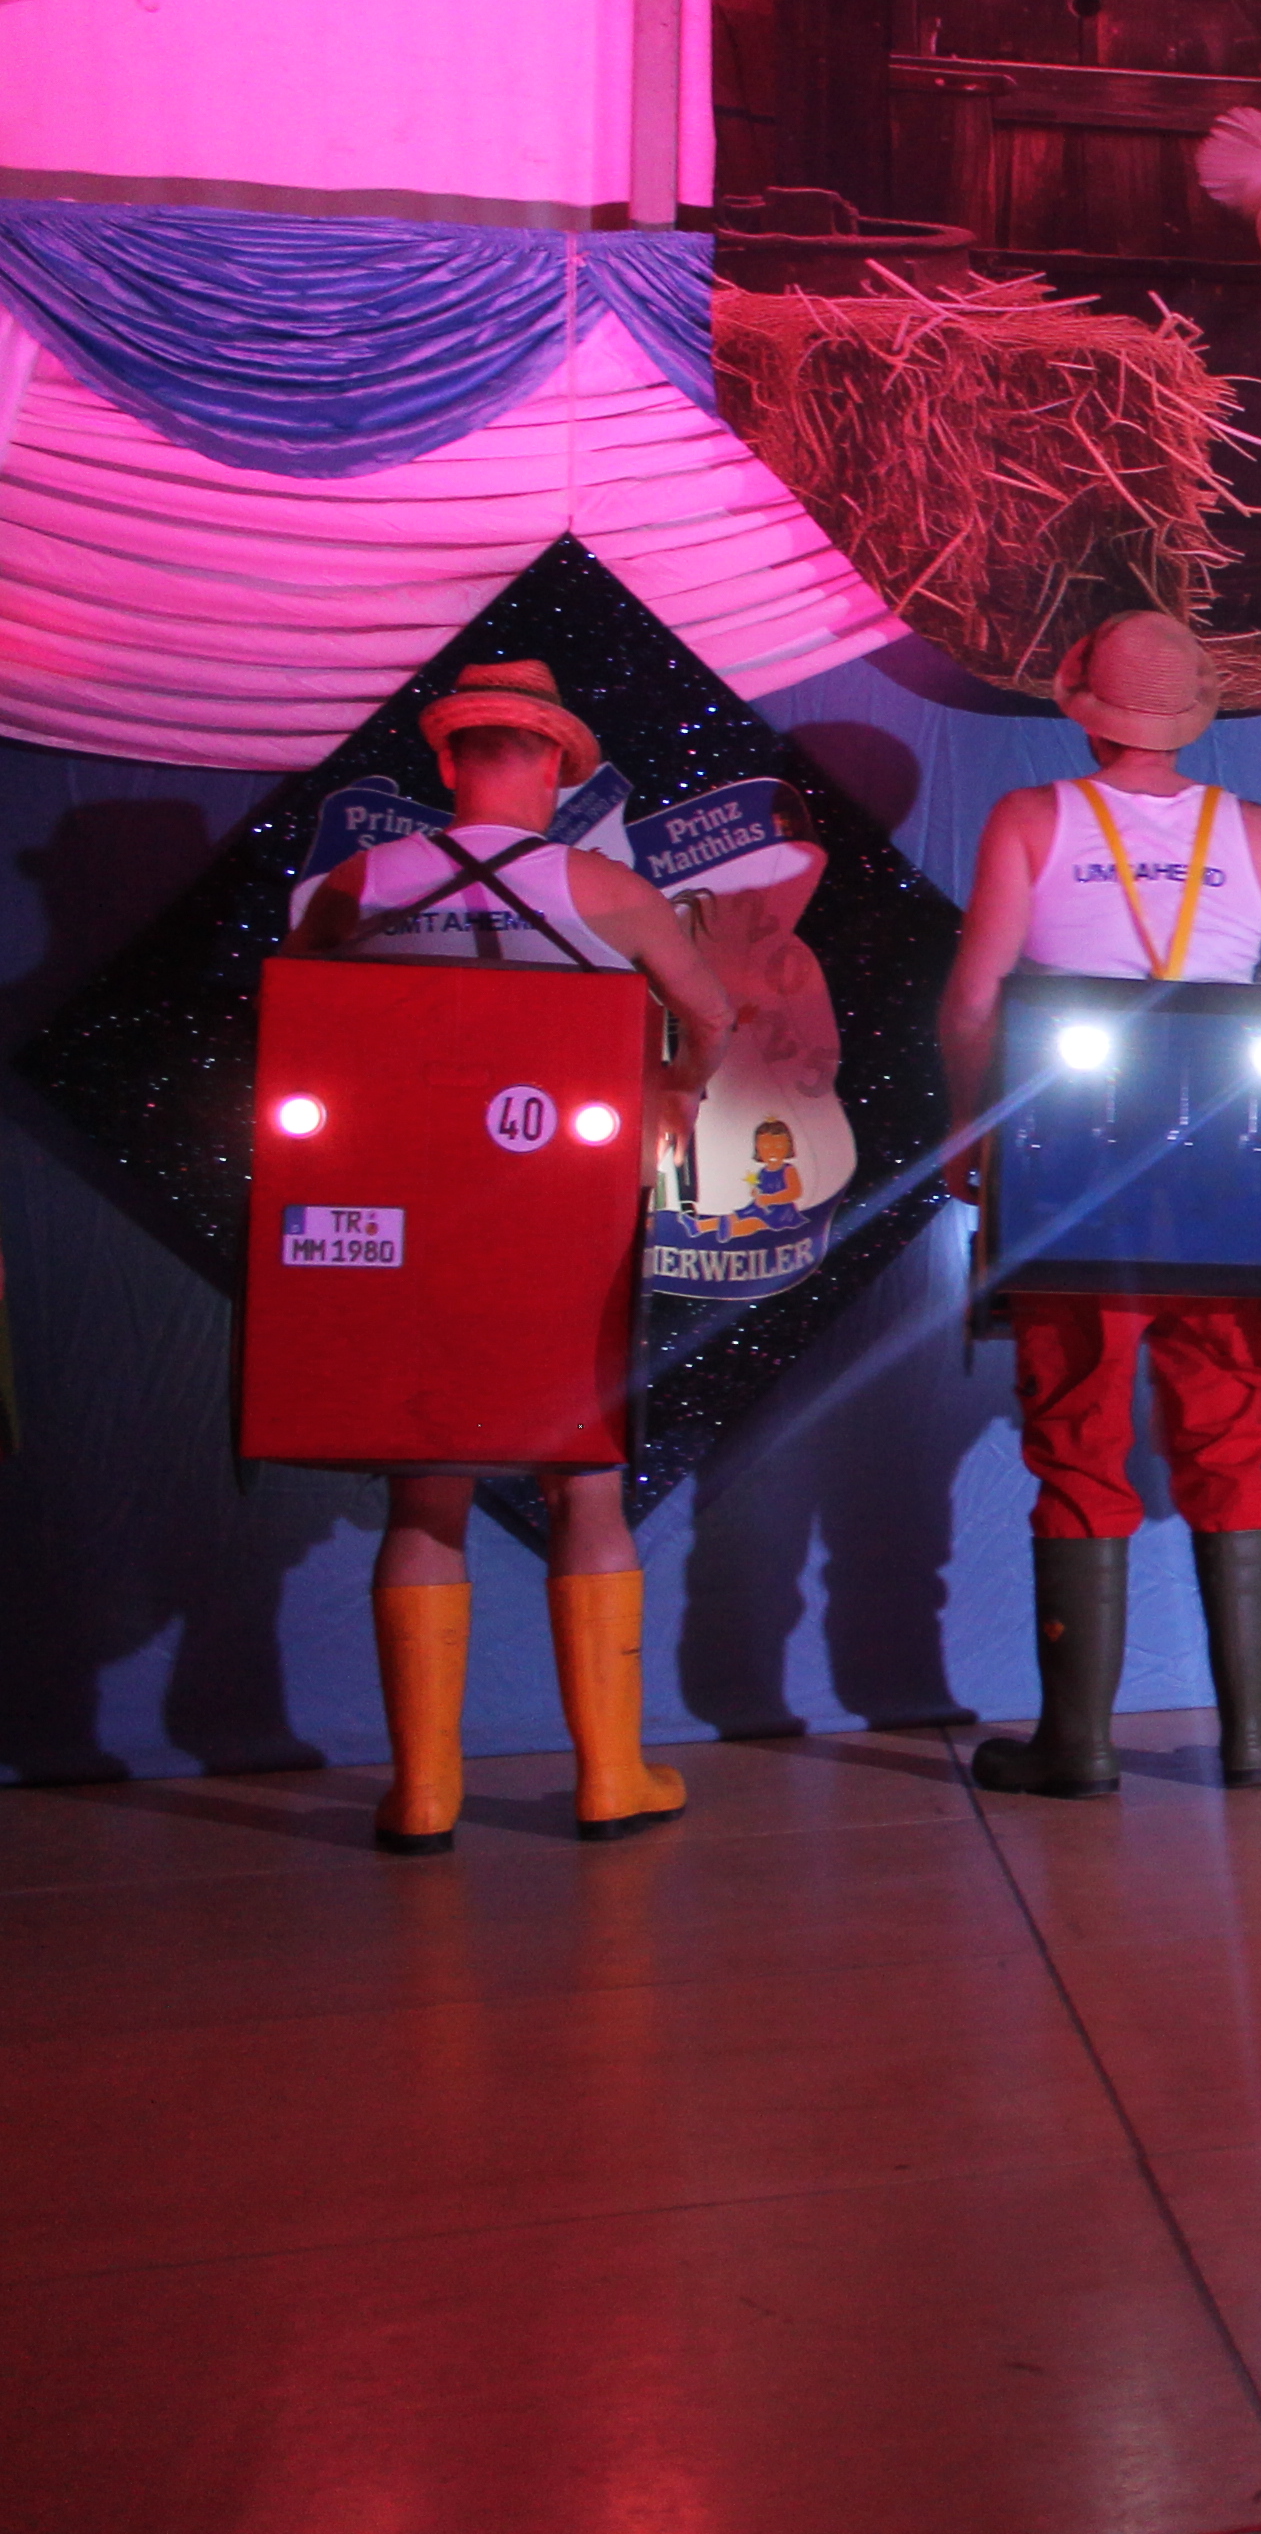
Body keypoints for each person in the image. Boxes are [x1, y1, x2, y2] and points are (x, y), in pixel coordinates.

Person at [284, 660, 736, 1853]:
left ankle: (423, 1797)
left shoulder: (356, 883)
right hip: (562, 1221)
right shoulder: (607, 889)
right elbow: (714, 1015)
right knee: (583, 1482)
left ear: (448, 760)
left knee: (424, 1487)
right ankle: (610, 1779)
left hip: (404, 1221)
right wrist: (672, 1084)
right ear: (555, 767)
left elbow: (302, 1021)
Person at [942, 613, 1261, 1797]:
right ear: (1189, 712)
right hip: (1232, 1176)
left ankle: (1078, 1746)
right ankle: (1253, 1735)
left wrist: (972, 1135)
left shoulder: (1031, 820)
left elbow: (975, 1000)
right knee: (1232, 1432)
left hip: (1070, 1170)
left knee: (1078, 1434)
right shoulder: (1258, 832)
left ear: (1087, 708)